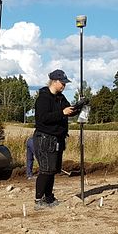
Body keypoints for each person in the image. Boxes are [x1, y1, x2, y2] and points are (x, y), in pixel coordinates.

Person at [33, 69, 79, 208]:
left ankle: (49, 198)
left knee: (52, 170)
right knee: (46, 170)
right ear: (55, 82)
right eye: (63, 83)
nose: (64, 85)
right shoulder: (43, 98)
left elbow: (67, 111)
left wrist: (76, 108)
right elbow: (43, 118)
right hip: (44, 139)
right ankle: (38, 200)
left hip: (57, 139)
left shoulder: (61, 98)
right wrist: (62, 113)